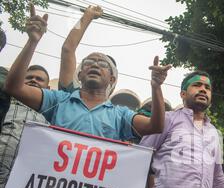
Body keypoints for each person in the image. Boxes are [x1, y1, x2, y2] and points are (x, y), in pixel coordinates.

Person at [4, 5, 171, 141]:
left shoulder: (120, 115)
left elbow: (155, 127)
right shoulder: (60, 99)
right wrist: (32, 41)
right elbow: (14, 87)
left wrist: (156, 87)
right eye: (89, 62)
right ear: (79, 75)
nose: (95, 65)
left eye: (103, 64)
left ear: (112, 79)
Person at [0, 65, 50, 188]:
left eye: (39, 79)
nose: (33, 80)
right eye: (29, 77)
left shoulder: (48, 122)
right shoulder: (4, 105)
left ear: (48, 89)